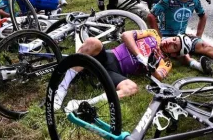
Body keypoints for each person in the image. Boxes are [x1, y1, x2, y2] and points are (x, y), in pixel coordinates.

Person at [54, 29, 187, 110]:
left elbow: (158, 76)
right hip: (109, 57)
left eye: (174, 47)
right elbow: (126, 35)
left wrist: (151, 67)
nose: (170, 43)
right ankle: (61, 89)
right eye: (174, 39)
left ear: (175, 54)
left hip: (116, 72)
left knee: (132, 88)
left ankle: (81, 104)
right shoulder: (153, 34)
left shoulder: (167, 62)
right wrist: (140, 56)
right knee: (92, 42)